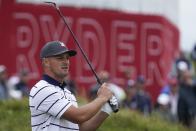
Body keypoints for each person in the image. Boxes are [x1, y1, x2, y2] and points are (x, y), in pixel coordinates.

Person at [29, 41, 117, 131]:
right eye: (60, 58)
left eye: (67, 58)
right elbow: (79, 116)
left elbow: (81, 128)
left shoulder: (68, 93)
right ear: (46, 62)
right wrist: (102, 98)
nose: (66, 62)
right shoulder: (42, 88)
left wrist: (105, 111)